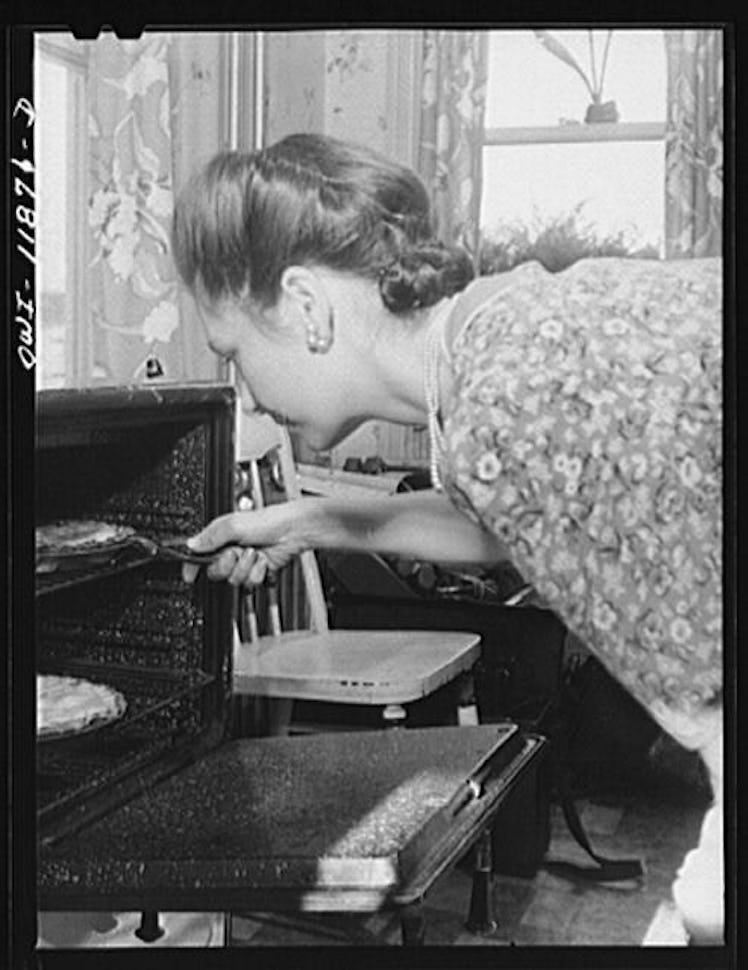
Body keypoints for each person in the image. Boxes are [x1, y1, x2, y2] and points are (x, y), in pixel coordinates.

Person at [172, 133, 723, 944]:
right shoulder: (488, 345)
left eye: (235, 353)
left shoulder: (503, 400)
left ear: (306, 308)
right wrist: (305, 522)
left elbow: (709, 691)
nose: (244, 389)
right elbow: (501, 522)